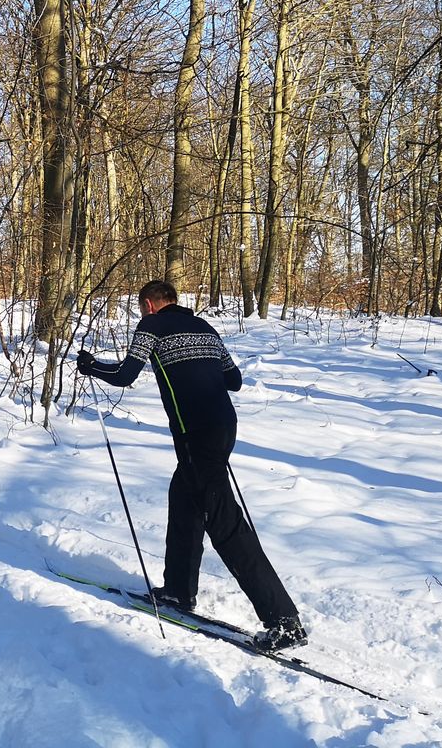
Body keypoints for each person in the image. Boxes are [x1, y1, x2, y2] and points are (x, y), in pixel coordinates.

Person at [77, 279, 307, 653]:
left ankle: (284, 621)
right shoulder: (204, 327)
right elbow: (234, 381)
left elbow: (124, 375)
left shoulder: (151, 326)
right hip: (220, 429)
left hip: (195, 435)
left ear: (149, 305)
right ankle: (179, 592)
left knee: (225, 524)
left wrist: (91, 366)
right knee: (183, 503)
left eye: (141, 309)